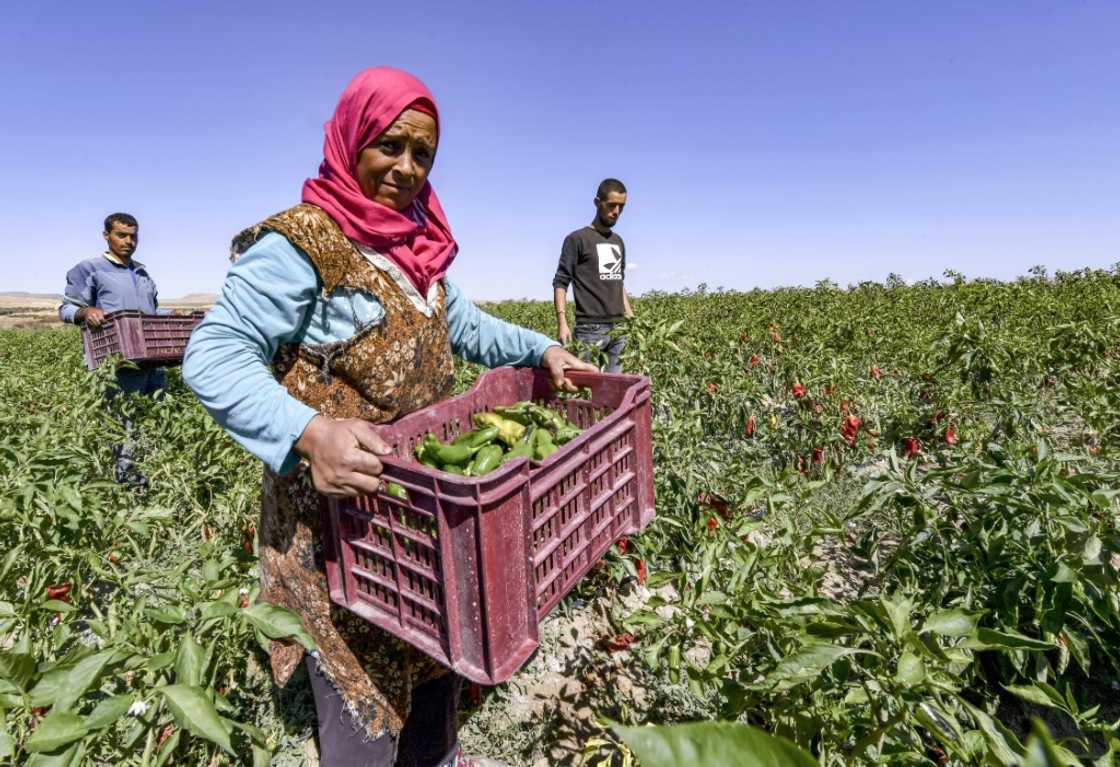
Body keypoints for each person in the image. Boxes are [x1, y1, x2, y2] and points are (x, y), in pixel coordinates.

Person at [182, 67, 595, 767]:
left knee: (435, 666)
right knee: (362, 705)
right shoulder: (303, 242)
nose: (406, 168)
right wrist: (311, 433)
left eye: (423, 154)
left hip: (414, 518)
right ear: (352, 141)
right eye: (389, 145)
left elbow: (462, 324)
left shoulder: (415, 246)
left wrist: (542, 346)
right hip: (335, 530)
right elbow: (212, 352)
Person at [59, 212, 168, 483]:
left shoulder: (142, 273)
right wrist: (86, 312)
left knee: (154, 423)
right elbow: (66, 308)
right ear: (106, 235)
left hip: (151, 363)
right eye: (122, 235)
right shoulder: (89, 269)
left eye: (134, 236)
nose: (129, 241)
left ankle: (151, 483)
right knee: (123, 429)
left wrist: (171, 314)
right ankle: (125, 489)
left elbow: (149, 314)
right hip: (117, 364)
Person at [552, 178, 634, 373]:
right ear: (597, 202)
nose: (616, 211)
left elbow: (618, 282)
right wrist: (562, 323)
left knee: (613, 390)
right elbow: (561, 283)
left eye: (621, 206)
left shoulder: (618, 241)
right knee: (580, 387)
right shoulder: (577, 239)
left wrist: (631, 319)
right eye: (611, 205)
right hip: (589, 328)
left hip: (619, 329)